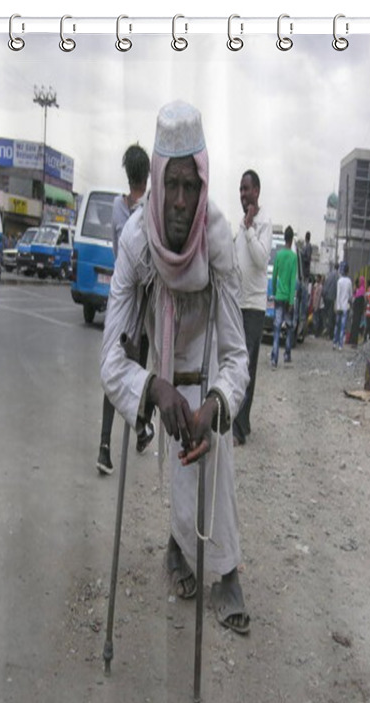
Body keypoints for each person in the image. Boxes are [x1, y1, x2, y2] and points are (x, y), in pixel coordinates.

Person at [100, 100, 251, 634]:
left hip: (205, 357)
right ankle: (177, 546)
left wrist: (216, 402)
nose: (183, 201)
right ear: (158, 184)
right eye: (174, 187)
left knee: (217, 462)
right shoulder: (136, 242)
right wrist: (151, 388)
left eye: (193, 186)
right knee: (181, 467)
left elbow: (236, 354)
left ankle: (226, 570)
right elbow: (110, 358)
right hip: (164, 357)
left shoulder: (218, 240)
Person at [97, 143, 154, 475]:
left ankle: (109, 444)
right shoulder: (144, 213)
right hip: (139, 301)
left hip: (123, 300)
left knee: (119, 370)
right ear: (147, 176)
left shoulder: (118, 210)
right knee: (133, 368)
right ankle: (140, 429)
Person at [232, 169, 271, 447]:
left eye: (247, 189)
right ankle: (234, 420)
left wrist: (248, 229)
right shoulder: (241, 224)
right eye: (240, 189)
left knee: (246, 368)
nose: (243, 194)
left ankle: (239, 428)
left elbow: (260, 259)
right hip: (237, 303)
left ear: (257, 191)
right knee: (234, 364)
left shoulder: (263, 222)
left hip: (254, 308)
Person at [270, 226, 298, 367]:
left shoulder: (278, 255)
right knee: (288, 327)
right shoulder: (293, 257)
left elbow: (274, 276)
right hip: (288, 298)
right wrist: (291, 299)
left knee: (276, 328)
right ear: (292, 239)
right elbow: (293, 280)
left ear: (284, 238)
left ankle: (274, 359)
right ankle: (286, 355)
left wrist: (274, 292)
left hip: (279, 296)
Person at [333, 262, 352, 350]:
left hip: (339, 306)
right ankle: (340, 345)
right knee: (342, 327)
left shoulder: (339, 281)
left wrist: (337, 305)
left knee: (337, 325)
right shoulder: (349, 282)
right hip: (345, 307)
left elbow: (337, 294)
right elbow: (350, 295)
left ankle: (334, 343)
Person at [322, 262, 339, 339]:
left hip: (327, 297)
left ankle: (325, 327)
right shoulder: (338, 277)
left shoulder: (330, 275)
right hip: (333, 298)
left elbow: (326, 285)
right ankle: (329, 333)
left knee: (325, 313)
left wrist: (324, 294)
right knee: (331, 315)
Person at [349, 275, 366, 348]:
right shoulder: (359, 290)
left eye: (359, 281)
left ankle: (354, 343)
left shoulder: (362, 291)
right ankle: (352, 341)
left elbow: (360, 303)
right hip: (356, 311)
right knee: (354, 325)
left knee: (356, 326)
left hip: (358, 312)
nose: (358, 282)